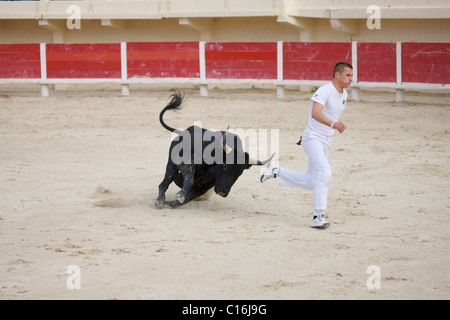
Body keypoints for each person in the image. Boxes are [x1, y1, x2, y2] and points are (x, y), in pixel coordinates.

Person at [260, 62, 353, 228]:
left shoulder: (344, 94)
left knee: (313, 181)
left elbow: (325, 115)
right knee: (324, 173)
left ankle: (276, 171)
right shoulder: (325, 90)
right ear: (337, 75)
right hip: (314, 138)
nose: (351, 79)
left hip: (326, 140)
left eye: (352, 76)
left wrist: (325, 127)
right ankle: (318, 216)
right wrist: (332, 125)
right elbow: (315, 113)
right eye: (347, 75)